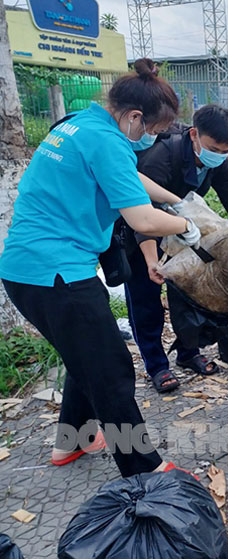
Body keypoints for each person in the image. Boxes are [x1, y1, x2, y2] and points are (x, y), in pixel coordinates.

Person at [0, 59, 202, 477]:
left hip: (26, 269)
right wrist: (187, 226)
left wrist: (177, 201)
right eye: (151, 130)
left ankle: (71, 442)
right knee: (110, 369)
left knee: (84, 355)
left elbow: (131, 179)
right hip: (57, 274)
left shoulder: (78, 125)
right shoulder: (108, 142)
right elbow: (143, 221)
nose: (150, 139)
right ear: (133, 117)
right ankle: (145, 470)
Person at [128, 104, 228, 392]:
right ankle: (156, 365)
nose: (220, 156)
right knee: (146, 299)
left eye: (226, 151)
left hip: (184, 230)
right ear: (194, 134)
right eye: (214, 148)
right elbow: (140, 215)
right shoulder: (162, 156)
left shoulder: (220, 162)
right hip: (141, 230)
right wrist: (151, 259)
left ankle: (188, 353)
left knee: (189, 294)